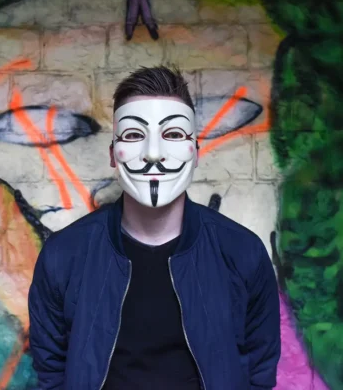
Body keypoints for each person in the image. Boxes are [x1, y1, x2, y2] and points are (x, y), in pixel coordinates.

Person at [28, 66, 281, 389]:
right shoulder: (63, 256)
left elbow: (260, 370)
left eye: (173, 135)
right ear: (113, 154)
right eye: (134, 135)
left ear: (195, 152)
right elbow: (51, 372)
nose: (153, 154)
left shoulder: (242, 252)